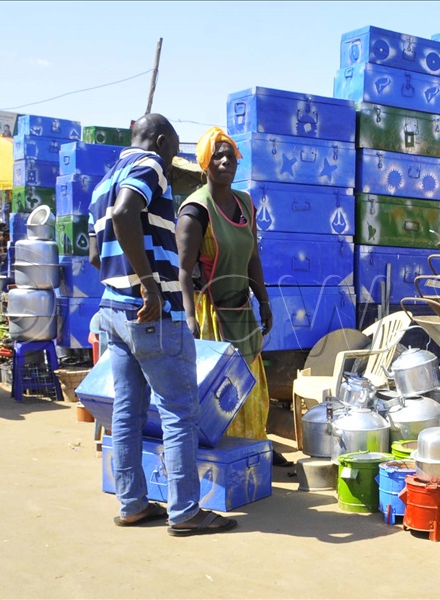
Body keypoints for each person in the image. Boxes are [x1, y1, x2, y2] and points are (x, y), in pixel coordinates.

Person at [87, 114, 236, 536]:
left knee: (127, 411)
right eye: (173, 147)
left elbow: (98, 255)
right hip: (153, 313)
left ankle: (132, 503)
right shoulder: (149, 165)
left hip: (113, 312)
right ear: (161, 139)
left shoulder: (104, 180)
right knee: (178, 410)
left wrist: (128, 279)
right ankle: (186, 511)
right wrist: (150, 286)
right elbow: (124, 214)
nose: (173, 159)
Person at [176, 127, 292, 467]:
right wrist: (188, 317)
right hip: (211, 313)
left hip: (242, 310)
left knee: (252, 387)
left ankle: (254, 447)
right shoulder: (195, 211)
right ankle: (221, 456)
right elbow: (183, 271)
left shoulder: (244, 204)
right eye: (217, 155)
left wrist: (264, 299)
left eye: (230, 155)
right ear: (204, 163)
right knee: (220, 389)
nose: (226, 160)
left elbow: (252, 253)